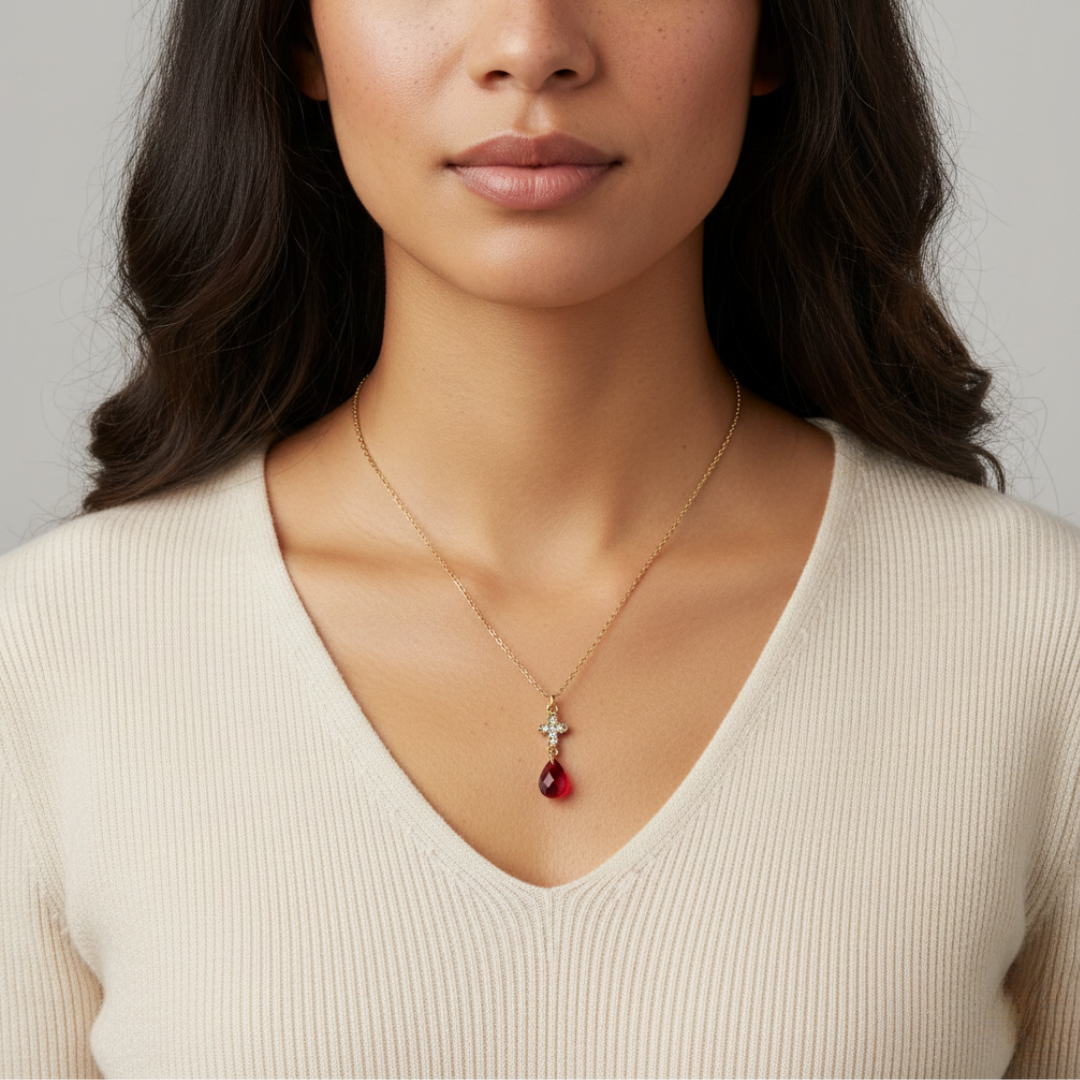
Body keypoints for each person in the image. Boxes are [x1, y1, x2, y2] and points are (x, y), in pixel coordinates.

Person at [1, 0, 1077, 1075]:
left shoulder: (1037, 636)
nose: (530, 45)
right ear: (296, 37)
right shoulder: (52, 655)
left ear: (780, 34)